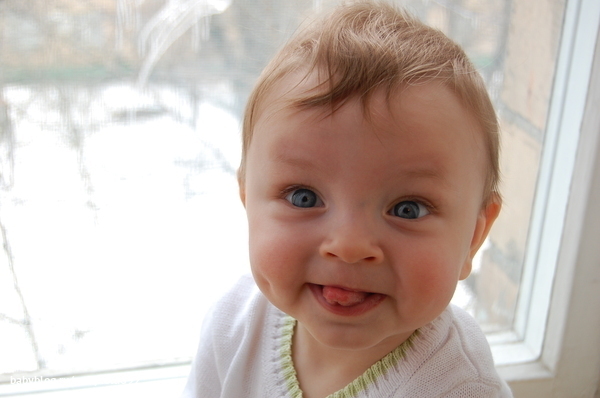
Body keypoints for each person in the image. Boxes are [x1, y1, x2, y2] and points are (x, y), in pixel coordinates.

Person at [181, 1, 512, 397]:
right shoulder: (233, 326)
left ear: (473, 237)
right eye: (303, 198)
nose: (349, 246)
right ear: (247, 200)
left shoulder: (459, 388)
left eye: (408, 209)